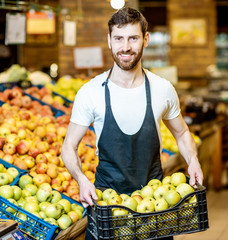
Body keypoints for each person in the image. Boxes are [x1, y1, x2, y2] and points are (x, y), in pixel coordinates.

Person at [61, 7, 203, 240]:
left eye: (133, 38)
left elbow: (182, 132)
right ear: (109, 40)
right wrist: (81, 179)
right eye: (118, 38)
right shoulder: (90, 92)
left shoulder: (162, 89)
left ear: (145, 39)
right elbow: (68, 147)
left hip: (155, 206)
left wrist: (193, 160)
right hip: (106, 209)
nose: (125, 47)